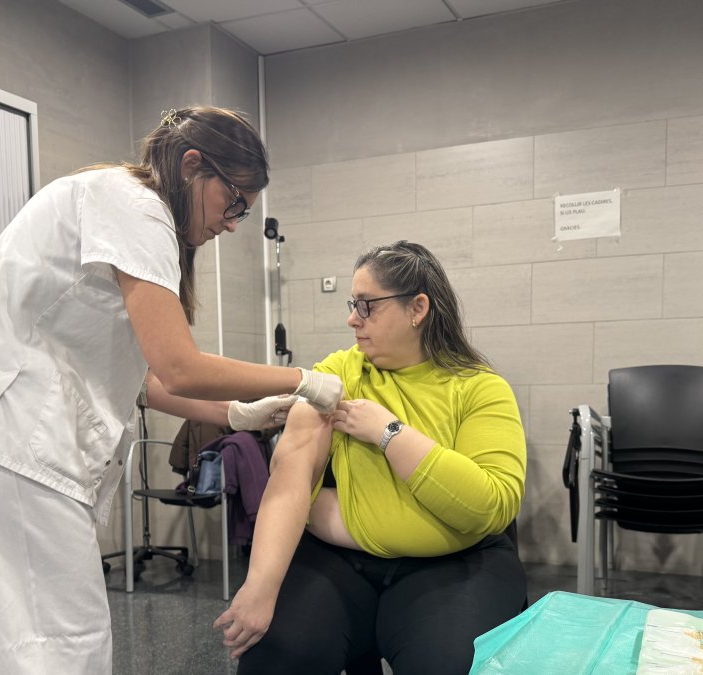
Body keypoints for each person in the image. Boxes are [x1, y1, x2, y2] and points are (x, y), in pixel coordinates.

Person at [0, 105, 341, 675]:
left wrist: (235, 413)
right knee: (57, 641)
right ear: (192, 165)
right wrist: (302, 379)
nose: (232, 223)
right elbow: (179, 365)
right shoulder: (135, 208)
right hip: (8, 430)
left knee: (42, 635)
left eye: (244, 212)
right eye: (234, 202)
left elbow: (148, 380)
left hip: (3, 429)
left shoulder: (121, 205)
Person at [215, 241, 528, 675]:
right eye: (352, 304)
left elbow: (489, 506)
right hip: (339, 562)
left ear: (417, 308)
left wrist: (389, 433)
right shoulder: (339, 373)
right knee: (276, 655)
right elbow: (293, 471)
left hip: (454, 565)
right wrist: (260, 586)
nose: (351, 319)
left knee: (449, 665)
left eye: (366, 306)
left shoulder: (479, 387)